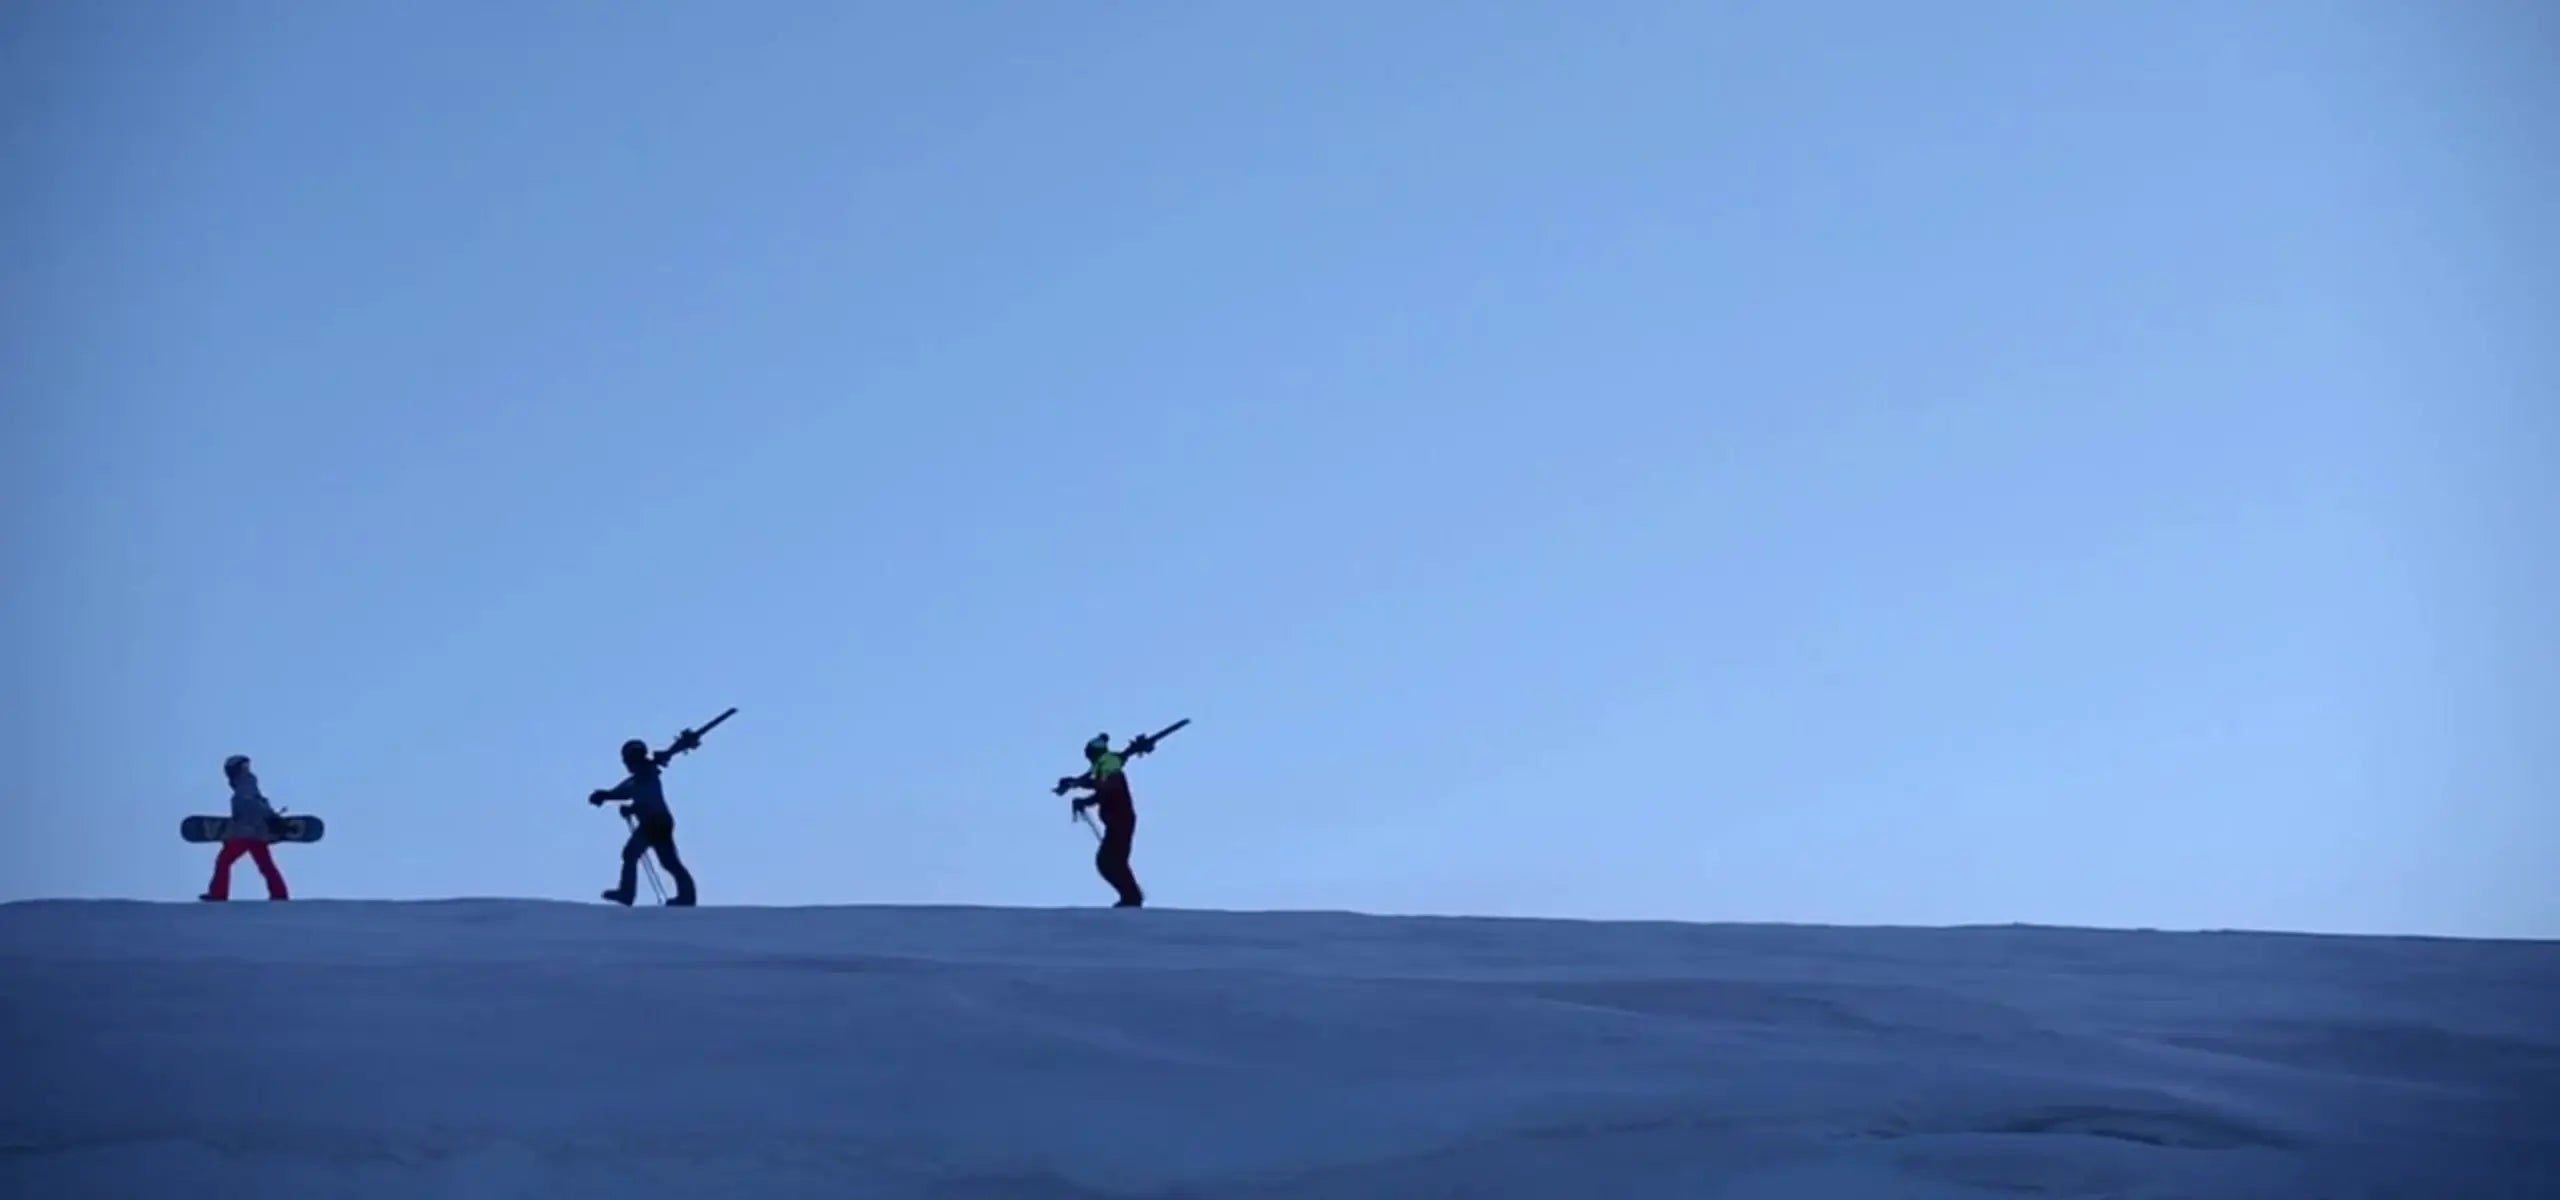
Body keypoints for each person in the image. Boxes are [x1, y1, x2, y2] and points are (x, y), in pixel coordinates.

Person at [1055, 730, 1166, 907]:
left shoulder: (1108, 765)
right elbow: (1098, 783)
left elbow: (1107, 789)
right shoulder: (1105, 764)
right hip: (1117, 821)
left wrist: (1086, 800)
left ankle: (1132, 897)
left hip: (1120, 820)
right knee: (1111, 861)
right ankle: (1131, 896)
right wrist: (1075, 783)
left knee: (1110, 861)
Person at [589, 737, 698, 906]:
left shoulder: (646, 774)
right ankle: (629, 893)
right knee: (652, 858)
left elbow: (643, 799)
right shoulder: (642, 775)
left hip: (656, 823)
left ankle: (629, 893)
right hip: (653, 823)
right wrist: (606, 795)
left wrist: (623, 804)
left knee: (658, 859)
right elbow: (625, 790)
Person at [202, 754, 290, 902]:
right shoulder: (248, 785)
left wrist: (232, 834)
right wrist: (271, 818)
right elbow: (259, 804)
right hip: (257, 834)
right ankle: (279, 894)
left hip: (245, 834)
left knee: (224, 861)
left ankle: (218, 893)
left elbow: (250, 808)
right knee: (265, 865)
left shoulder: (245, 785)